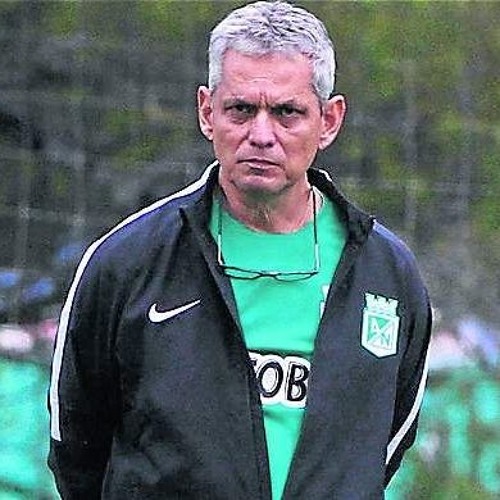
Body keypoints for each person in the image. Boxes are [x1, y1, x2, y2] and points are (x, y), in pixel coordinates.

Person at [48, 1, 432, 498]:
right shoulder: (127, 262)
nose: (261, 135)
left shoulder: (387, 275)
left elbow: (381, 445)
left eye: (287, 112)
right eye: (241, 110)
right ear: (207, 112)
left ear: (329, 120)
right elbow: (77, 445)